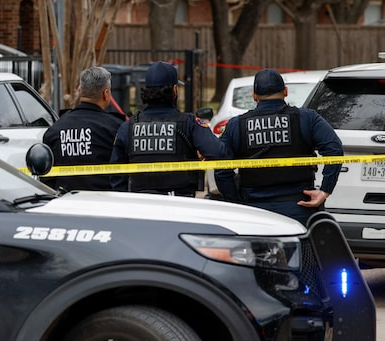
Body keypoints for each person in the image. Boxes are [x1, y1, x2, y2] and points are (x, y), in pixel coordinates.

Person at [214, 68, 343, 225]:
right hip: (299, 208)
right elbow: (334, 149)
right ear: (285, 91)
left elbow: (221, 168)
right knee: (301, 249)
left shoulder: (236, 125)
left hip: (254, 211)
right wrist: (324, 191)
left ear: (254, 96)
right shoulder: (306, 118)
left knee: (256, 250)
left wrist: (236, 202)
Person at [109, 61, 226, 196]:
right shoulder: (189, 123)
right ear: (174, 89)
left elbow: (116, 175)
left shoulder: (128, 127)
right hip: (180, 203)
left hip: (141, 204)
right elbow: (219, 152)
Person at [41, 66, 126, 192]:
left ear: (80, 89)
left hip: (66, 202)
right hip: (105, 202)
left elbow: (47, 176)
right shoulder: (116, 127)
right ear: (106, 93)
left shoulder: (55, 129)